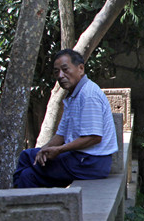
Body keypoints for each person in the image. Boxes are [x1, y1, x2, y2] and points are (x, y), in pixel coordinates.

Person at [13, 49, 118, 188]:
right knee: (28, 175)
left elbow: (94, 137)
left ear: (80, 68)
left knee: (27, 157)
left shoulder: (89, 94)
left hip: (90, 162)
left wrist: (60, 150)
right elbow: (61, 134)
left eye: (65, 69)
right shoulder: (74, 95)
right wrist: (44, 149)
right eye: (57, 72)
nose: (60, 75)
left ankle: (11, 203)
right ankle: (26, 205)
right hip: (79, 159)